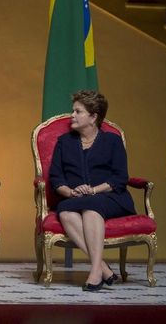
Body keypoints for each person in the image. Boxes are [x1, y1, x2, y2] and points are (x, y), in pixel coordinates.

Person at [49, 90, 136, 292]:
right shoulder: (64, 142)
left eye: (78, 111)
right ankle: (103, 268)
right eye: (73, 111)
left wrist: (94, 190)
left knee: (92, 205)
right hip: (75, 198)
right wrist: (70, 192)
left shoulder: (113, 141)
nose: (72, 115)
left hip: (111, 198)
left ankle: (96, 271)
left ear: (94, 116)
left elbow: (120, 178)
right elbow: (56, 178)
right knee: (65, 211)